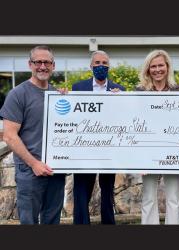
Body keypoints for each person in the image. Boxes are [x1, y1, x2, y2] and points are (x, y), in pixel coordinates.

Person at [0, 45, 65, 224]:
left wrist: (70, 100)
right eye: (38, 62)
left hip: (55, 169)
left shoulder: (58, 95)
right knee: (28, 221)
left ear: (53, 66)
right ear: (30, 64)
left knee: (52, 221)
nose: (42, 66)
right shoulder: (18, 94)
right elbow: (9, 136)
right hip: (30, 171)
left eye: (47, 62)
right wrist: (34, 163)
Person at [72, 50, 126, 224]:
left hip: (109, 149)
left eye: (104, 63)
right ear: (91, 66)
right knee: (82, 191)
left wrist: (121, 100)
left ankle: (108, 224)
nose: (100, 66)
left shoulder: (120, 90)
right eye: (97, 63)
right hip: (85, 149)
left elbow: (125, 118)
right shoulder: (78, 88)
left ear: (108, 66)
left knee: (107, 191)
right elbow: (72, 116)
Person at [136, 49, 179, 224]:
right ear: (148, 69)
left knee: (173, 196)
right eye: (153, 66)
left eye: (160, 65)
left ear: (167, 67)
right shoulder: (139, 92)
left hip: (172, 151)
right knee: (148, 196)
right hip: (147, 152)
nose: (157, 69)